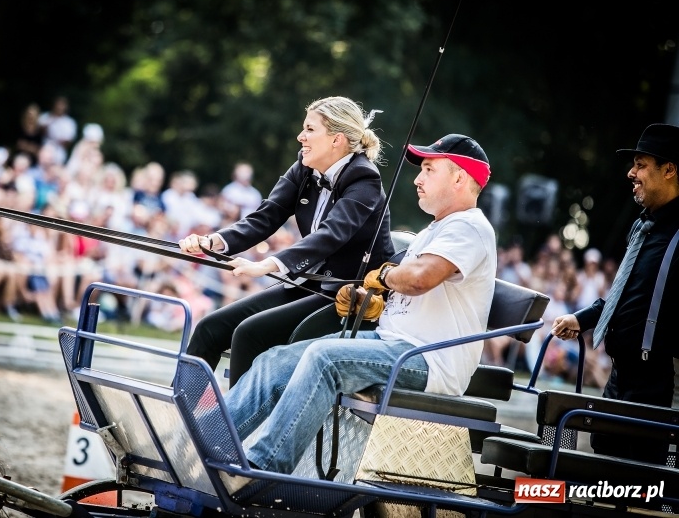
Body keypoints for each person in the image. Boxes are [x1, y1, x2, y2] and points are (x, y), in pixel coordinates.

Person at [222, 133, 496, 474]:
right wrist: (368, 298)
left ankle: (261, 468)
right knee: (275, 359)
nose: (418, 178)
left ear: (459, 177)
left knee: (324, 358)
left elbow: (418, 279)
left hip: (427, 359)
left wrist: (381, 277)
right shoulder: (434, 231)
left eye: (428, 169)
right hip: (392, 346)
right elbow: (408, 290)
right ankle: (208, 441)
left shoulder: (469, 227)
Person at [179, 96, 395, 386]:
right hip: (308, 283)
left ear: (337, 140)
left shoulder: (365, 179)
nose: (300, 137)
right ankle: (182, 415)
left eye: (309, 129)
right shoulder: (303, 167)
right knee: (209, 327)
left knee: (249, 333)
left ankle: (235, 427)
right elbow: (266, 216)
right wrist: (213, 241)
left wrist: (266, 265)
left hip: (347, 294)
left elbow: (331, 234)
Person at [551, 123, 679, 465]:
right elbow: (623, 295)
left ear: (669, 169)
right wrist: (583, 318)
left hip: (660, 384)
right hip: (620, 377)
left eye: (640, 164)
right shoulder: (642, 225)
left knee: (643, 486)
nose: (631, 173)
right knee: (604, 471)